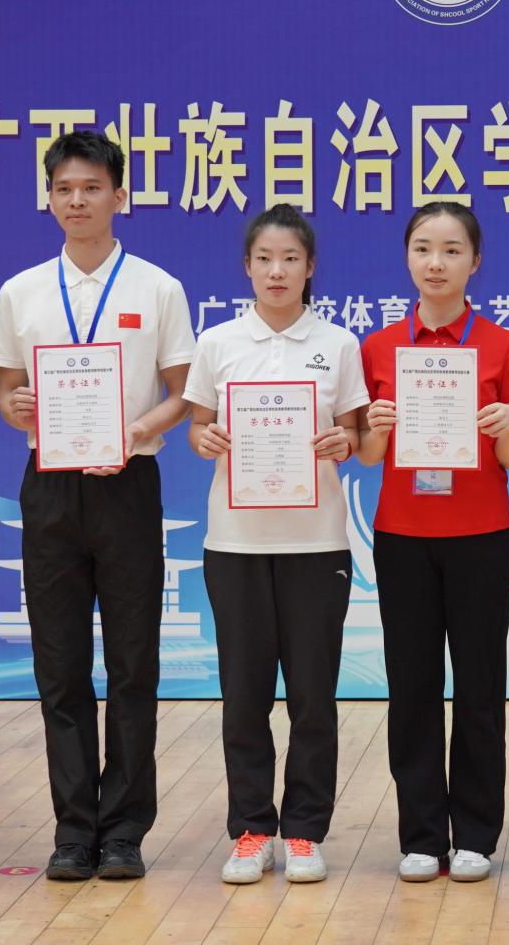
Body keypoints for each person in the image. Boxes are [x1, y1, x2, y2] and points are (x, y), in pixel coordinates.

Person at [0, 130, 196, 882]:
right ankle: (74, 830)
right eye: (64, 189)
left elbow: (184, 393)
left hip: (128, 485)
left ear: (120, 196)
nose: (77, 201)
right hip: (50, 486)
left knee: (134, 665)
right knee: (60, 666)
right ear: (49, 199)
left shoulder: (157, 287)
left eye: (92, 188)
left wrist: (139, 429)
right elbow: (8, 393)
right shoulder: (20, 291)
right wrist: (18, 407)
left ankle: (125, 831)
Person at [184, 204, 369, 885]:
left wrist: (343, 440)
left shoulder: (339, 345)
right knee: (244, 694)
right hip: (235, 542)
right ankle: (252, 829)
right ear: (247, 267)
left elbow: (357, 435)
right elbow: (197, 426)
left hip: (316, 543)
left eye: (290, 258)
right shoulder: (218, 342)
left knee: (313, 697)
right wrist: (204, 437)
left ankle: (304, 832)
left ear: (310, 266)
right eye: (264, 258)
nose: (277, 270)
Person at [357, 203, 509, 883]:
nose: (436, 263)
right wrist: (375, 426)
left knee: (481, 686)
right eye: (423, 248)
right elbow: (368, 456)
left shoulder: (502, 345)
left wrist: (508, 423)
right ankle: (422, 835)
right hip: (402, 536)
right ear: (407, 258)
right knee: (412, 687)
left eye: (452, 249)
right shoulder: (378, 348)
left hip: (481, 535)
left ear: (474, 261)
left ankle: (476, 834)